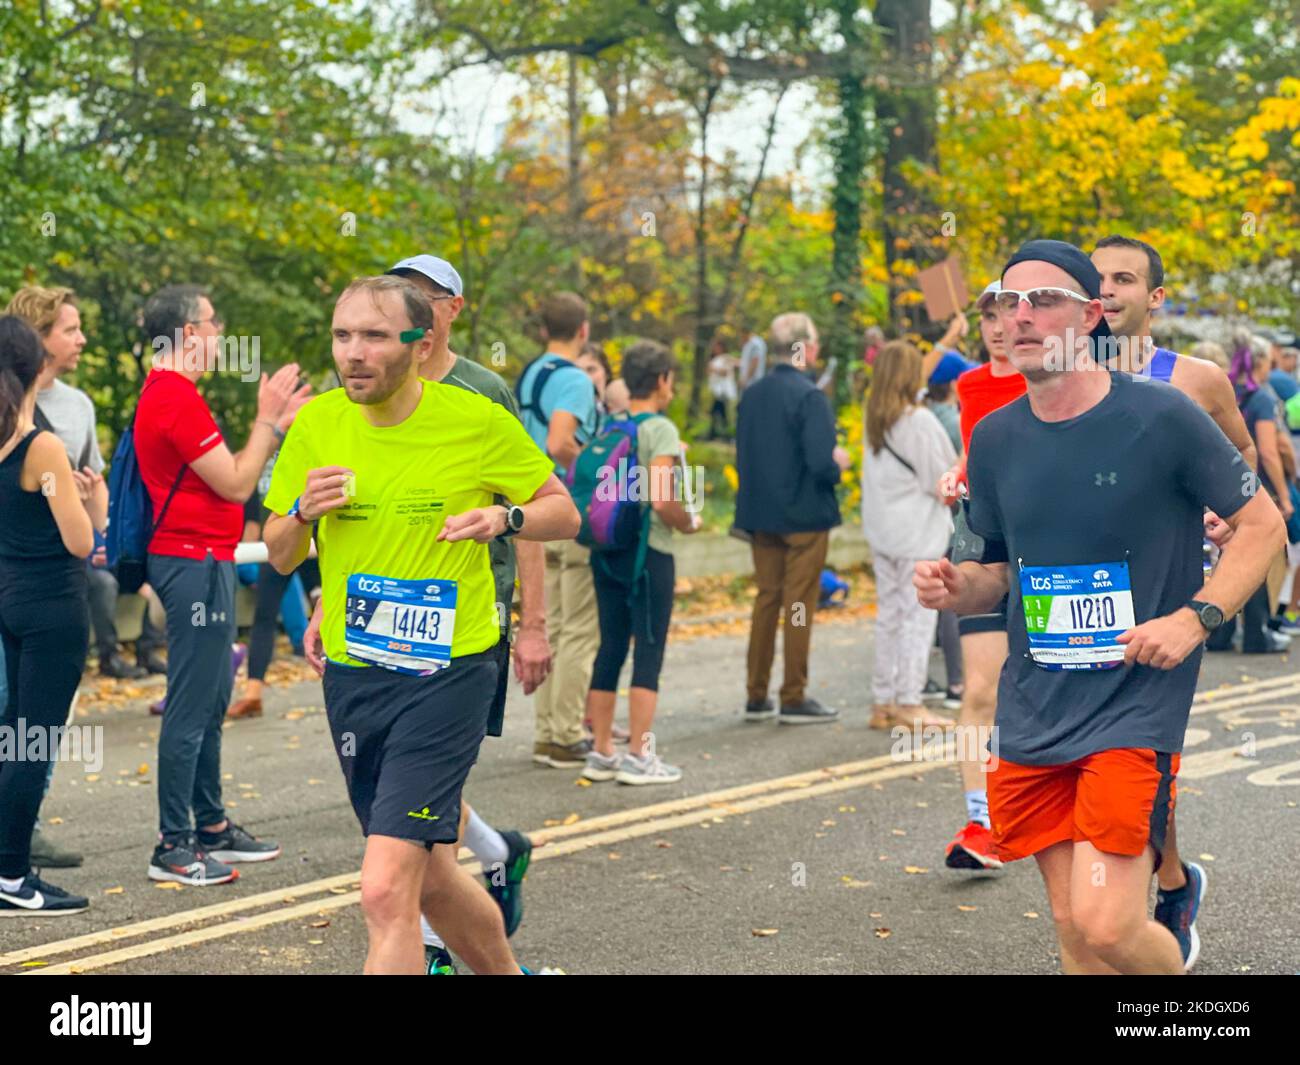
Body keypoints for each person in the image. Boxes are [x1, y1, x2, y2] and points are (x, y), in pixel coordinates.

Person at [916, 238, 1283, 975]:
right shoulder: (993, 438)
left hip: (1133, 700)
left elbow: (1262, 524)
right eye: (1007, 301)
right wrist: (961, 588)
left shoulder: (1161, 416)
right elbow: (989, 570)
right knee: (1072, 929)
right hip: (1037, 703)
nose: (1020, 316)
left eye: (1043, 299)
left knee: (1109, 924)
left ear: (1088, 317)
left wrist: (1193, 619)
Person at [263, 274, 578, 975]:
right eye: (343, 335)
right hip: (354, 676)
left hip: (449, 672)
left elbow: (563, 510)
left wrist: (505, 516)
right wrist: (305, 514)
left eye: (374, 335)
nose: (354, 352)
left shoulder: (474, 419)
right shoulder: (317, 425)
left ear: (421, 339)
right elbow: (280, 552)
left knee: (383, 887)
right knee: (429, 875)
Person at [385, 252, 552, 972]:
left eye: (423, 297)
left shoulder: (486, 392)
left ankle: (431, 945)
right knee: (406, 780)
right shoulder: (374, 386)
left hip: (467, 618)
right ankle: (496, 850)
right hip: (382, 615)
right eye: (400, 297)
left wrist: (535, 623)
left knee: (423, 786)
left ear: (454, 308)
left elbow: (537, 510)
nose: (409, 310)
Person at [135, 284, 308, 884]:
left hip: (206, 559)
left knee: (210, 699)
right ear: (186, 334)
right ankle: (172, 844)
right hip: (191, 564)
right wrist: (266, 419)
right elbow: (237, 482)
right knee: (191, 704)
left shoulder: (174, 395)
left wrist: (274, 423)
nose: (219, 334)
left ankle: (209, 825)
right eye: (212, 323)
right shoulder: (174, 398)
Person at [0, 316, 96, 915]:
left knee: (15, 734)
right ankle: (11, 874)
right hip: (53, 608)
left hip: (10, 602)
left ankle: (8, 864)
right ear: (38, 367)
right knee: (33, 742)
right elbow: (82, 541)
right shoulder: (42, 446)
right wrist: (84, 497)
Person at [583, 340, 701, 785]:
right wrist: (687, 522)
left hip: (608, 551)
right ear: (662, 380)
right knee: (648, 649)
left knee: (610, 645)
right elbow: (661, 497)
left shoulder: (611, 427)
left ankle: (601, 752)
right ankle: (638, 754)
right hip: (649, 553)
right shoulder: (660, 430)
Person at [936, 280, 1025, 871]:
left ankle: (1034, 805)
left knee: (1039, 689)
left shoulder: (1050, 378)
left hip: (1045, 542)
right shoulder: (969, 384)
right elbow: (977, 449)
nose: (996, 326)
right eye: (987, 315)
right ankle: (979, 820)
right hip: (978, 535)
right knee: (979, 689)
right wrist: (957, 471)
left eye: (1006, 313)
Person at [735, 312, 851, 724]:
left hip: (761, 515)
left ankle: (755, 692)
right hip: (804, 518)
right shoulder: (809, 396)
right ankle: (794, 694)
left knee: (767, 600)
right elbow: (821, 464)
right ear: (808, 349)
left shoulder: (752, 394)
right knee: (798, 604)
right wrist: (840, 463)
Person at [516, 293, 602, 768]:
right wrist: (592, 467)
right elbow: (559, 441)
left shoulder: (532, 372)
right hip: (563, 505)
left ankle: (548, 731)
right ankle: (566, 734)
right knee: (579, 628)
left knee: (547, 622)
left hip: (529, 511)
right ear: (583, 330)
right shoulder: (575, 379)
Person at [860, 341, 957, 730]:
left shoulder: (876, 420)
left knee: (890, 616)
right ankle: (910, 701)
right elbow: (943, 481)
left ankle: (883, 700)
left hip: (883, 533)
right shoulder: (918, 421)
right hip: (918, 534)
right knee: (917, 617)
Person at [706, 337, 738, 440]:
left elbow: (726, 372)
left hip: (723, 392)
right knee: (719, 413)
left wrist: (714, 369)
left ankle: (721, 435)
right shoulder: (714, 359)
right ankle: (720, 434)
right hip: (716, 392)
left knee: (718, 413)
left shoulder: (726, 358)